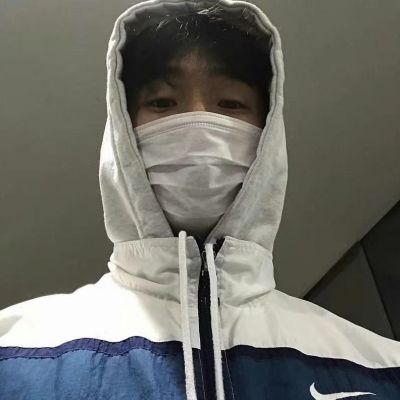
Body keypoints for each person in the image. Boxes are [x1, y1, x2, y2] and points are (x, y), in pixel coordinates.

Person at [0, 0, 399, 399]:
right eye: (162, 102)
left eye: (231, 104)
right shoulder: (15, 355)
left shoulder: (380, 368)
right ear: (123, 130)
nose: (197, 124)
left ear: (268, 135)